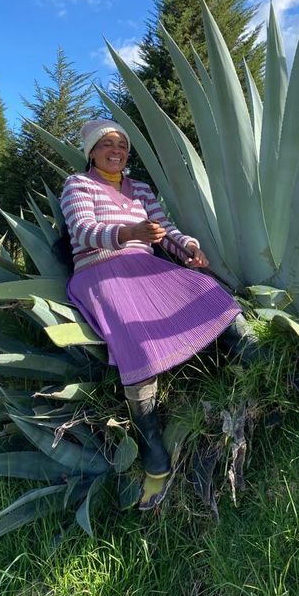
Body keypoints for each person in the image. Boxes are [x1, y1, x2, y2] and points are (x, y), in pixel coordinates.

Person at [60, 119, 254, 483]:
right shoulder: (78, 184)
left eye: (122, 145)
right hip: (100, 270)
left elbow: (165, 232)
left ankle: (259, 358)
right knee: (133, 336)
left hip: (144, 265)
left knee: (210, 294)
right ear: (91, 152)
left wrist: (189, 248)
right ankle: (149, 435)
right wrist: (129, 232)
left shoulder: (141, 190)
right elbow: (82, 230)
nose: (116, 150)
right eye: (107, 144)